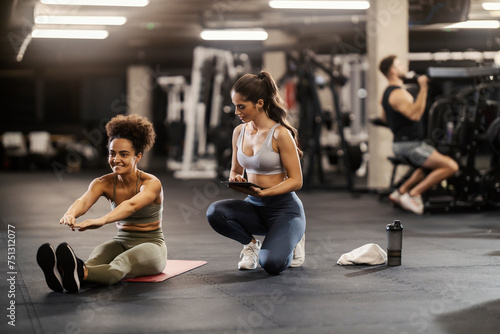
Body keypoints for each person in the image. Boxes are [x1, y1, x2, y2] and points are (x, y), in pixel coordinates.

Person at [36, 114, 167, 293]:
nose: (116, 159)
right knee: (93, 262)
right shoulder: (103, 183)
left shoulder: (151, 183)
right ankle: (65, 275)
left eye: (124, 154)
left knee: (120, 265)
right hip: (120, 241)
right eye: (112, 153)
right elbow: (83, 201)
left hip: (151, 246)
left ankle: (75, 273)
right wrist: (70, 214)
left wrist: (102, 220)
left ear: (137, 156)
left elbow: (131, 206)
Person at [206, 71, 306, 275]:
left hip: (284, 210)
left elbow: (296, 181)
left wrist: (266, 193)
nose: (236, 112)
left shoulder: (280, 134)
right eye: (235, 106)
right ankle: (251, 245)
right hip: (254, 208)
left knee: (272, 264)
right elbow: (235, 170)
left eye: (241, 106)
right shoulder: (239, 132)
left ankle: (293, 239)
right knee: (215, 212)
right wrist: (236, 179)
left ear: (259, 103)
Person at [379, 55, 459, 214]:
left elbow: (384, 118)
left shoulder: (387, 93)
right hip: (410, 145)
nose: (404, 66)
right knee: (451, 166)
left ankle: (400, 192)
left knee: (426, 167)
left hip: (402, 143)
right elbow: (415, 115)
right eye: (400, 64)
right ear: (393, 71)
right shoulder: (397, 93)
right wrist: (423, 88)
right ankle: (413, 195)